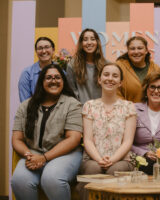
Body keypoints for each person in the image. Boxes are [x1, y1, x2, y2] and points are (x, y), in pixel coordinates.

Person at [11, 64, 83, 200]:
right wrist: (29, 155)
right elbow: (17, 139)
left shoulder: (72, 104)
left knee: (51, 179)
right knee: (19, 180)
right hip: (34, 152)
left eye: (57, 77)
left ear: (63, 81)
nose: (53, 80)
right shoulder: (26, 105)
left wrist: (44, 158)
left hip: (67, 154)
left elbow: (73, 139)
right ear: (42, 82)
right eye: (48, 77)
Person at [77, 63, 137, 200]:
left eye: (115, 76)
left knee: (115, 170)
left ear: (120, 82)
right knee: (93, 169)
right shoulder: (89, 106)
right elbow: (87, 139)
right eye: (106, 74)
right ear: (99, 79)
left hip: (121, 159)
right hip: (93, 158)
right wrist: (99, 159)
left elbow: (128, 141)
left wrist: (113, 159)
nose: (110, 79)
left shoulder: (129, 107)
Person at [132, 71, 160, 175]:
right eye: (152, 87)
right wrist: (144, 153)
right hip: (140, 158)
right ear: (146, 90)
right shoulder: (134, 110)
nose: (156, 91)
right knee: (146, 165)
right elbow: (127, 143)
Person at [66, 28, 107, 104]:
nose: (89, 42)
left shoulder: (106, 65)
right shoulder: (72, 65)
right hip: (81, 110)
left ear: (97, 42)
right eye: (85, 39)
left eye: (92, 39)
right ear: (81, 43)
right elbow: (72, 91)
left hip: (102, 110)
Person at [116, 36, 160, 103]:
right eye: (132, 49)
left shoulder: (155, 68)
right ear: (128, 52)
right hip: (126, 111)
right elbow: (114, 91)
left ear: (146, 51)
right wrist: (128, 108)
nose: (136, 52)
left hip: (150, 111)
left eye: (140, 48)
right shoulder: (119, 66)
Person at [18, 37, 55, 102]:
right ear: (36, 51)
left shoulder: (62, 73)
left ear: (53, 50)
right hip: (33, 111)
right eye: (40, 48)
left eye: (47, 47)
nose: (43, 51)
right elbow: (25, 103)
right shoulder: (27, 74)